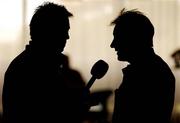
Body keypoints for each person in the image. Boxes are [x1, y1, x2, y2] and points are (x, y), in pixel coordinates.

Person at [2, 2, 89, 123]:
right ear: (49, 31)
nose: (67, 37)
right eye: (64, 30)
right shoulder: (32, 68)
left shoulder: (36, 64)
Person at [110, 8, 175, 123]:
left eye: (118, 38)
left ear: (133, 39)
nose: (112, 45)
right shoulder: (151, 68)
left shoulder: (148, 73)